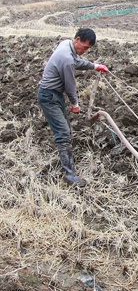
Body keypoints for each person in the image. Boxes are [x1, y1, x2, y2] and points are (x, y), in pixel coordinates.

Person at [37, 28, 109, 187]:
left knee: (65, 129)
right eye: (84, 47)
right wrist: (75, 104)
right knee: (63, 132)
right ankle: (69, 175)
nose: (85, 51)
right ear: (77, 39)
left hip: (53, 95)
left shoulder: (65, 44)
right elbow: (70, 86)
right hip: (49, 96)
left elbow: (76, 62)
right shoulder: (66, 58)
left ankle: (66, 158)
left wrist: (95, 66)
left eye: (88, 49)